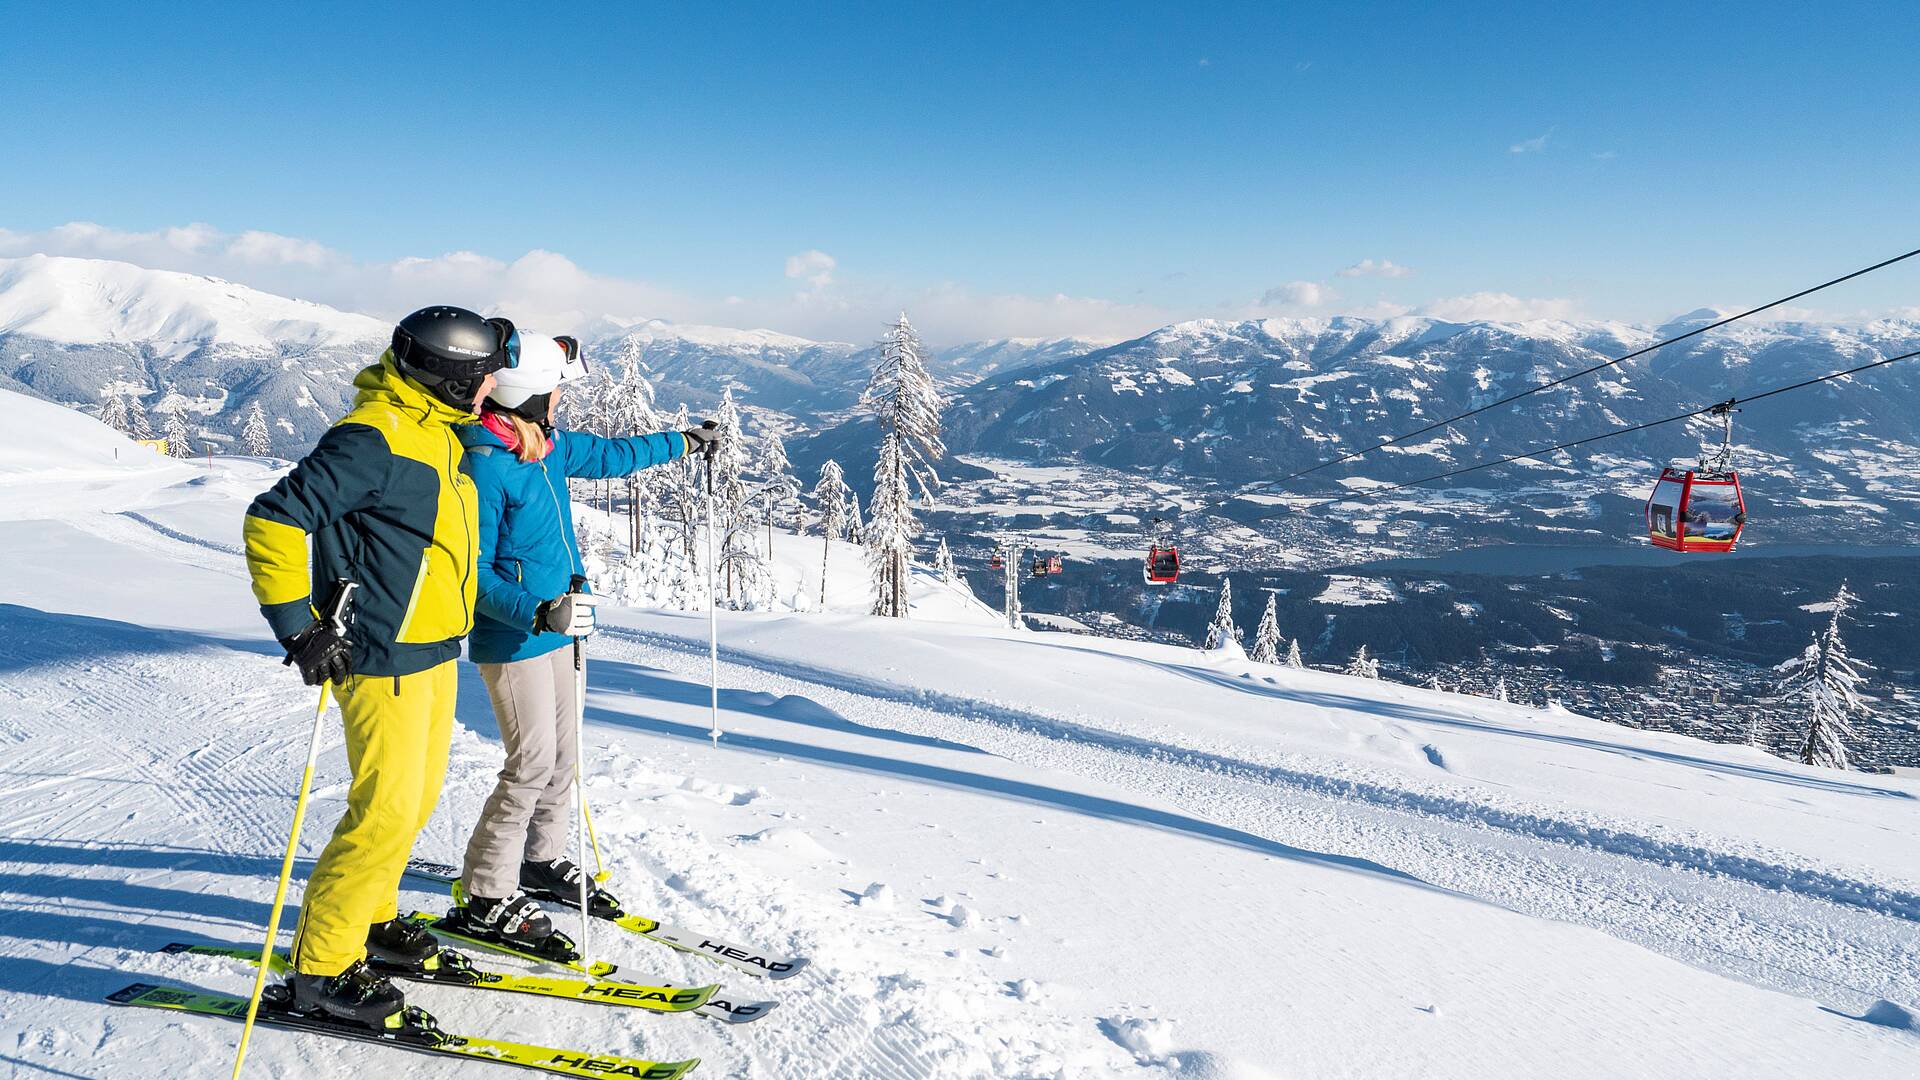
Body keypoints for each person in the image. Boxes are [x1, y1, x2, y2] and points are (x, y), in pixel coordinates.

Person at [243, 305, 515, 1025]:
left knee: (415, 802)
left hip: (429, 651)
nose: (491, 387)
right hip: (378, 655)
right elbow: (271, 518)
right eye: (483, 376)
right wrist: (300, 627)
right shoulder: (374, 437)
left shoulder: (434, 429)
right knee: (383, 811)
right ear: (449, 377)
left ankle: (374, 920)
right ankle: (322, 971)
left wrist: (518, 428)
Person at [446, 333, 719, 951]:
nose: (562, 398)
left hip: (560, 628)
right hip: (515, 639)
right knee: (532, 763)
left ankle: (539, 862)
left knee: (563, 760)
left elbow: (613, 456)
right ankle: (486, 894)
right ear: (531, 394)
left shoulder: (544, 448)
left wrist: (683, 441)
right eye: (556, 388)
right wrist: (540, 611)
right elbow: (473, 573)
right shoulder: (487, 464)